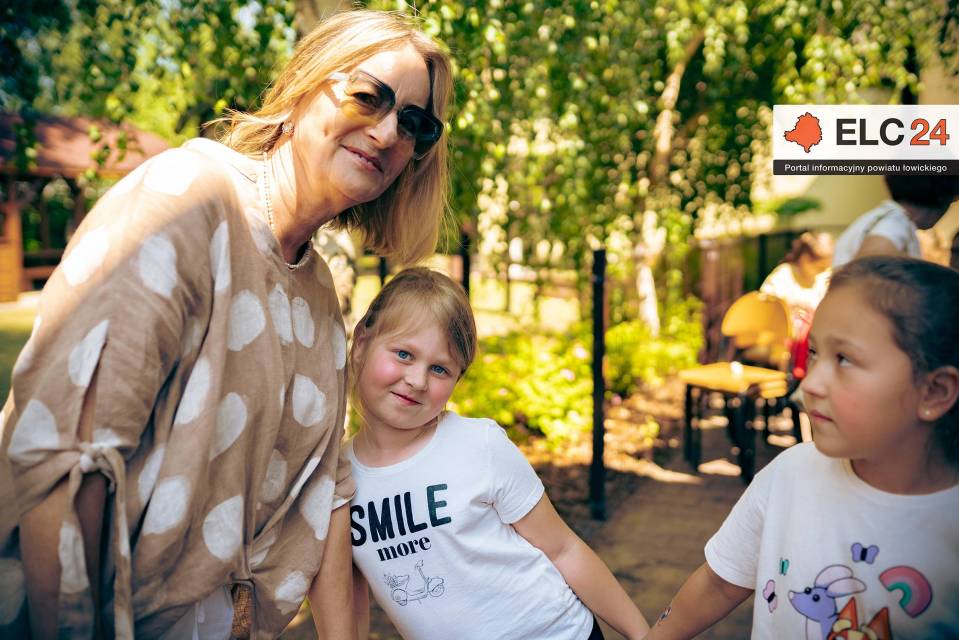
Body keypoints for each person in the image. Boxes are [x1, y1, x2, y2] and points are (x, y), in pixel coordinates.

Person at [0, 10, 452, 638]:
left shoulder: (320, 292)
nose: (385, 132)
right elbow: (68, 466)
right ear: (302, 87)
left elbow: (325, 495)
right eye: (367, 95)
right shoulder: (187, 199)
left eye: (414, 123)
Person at [644, 256, 959, 639]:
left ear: (934, 391)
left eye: (844, 359)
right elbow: (720, 584)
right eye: (813, 353)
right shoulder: (788, 475)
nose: (810, 383)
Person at [345, 268, 650, 640]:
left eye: (439, 369)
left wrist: (643, 635)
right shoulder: (339, 478)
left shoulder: (478, 445)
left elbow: (563, 549)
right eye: (404, 354)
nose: (418, 380)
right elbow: (349, 598)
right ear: (361, 344)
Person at [832, 175, 959, 267]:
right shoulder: (895, 223)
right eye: (953, 201)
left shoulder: (881, 217)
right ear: (943, 198)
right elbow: (871, 264)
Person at [759, 231, 833, 378]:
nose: (822, 272)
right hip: (783, 338)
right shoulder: (784, 274)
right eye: (819, 267)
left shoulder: (822, 277)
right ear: (805, 259)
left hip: (812, 340)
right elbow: (765, 304)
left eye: (825, 268)